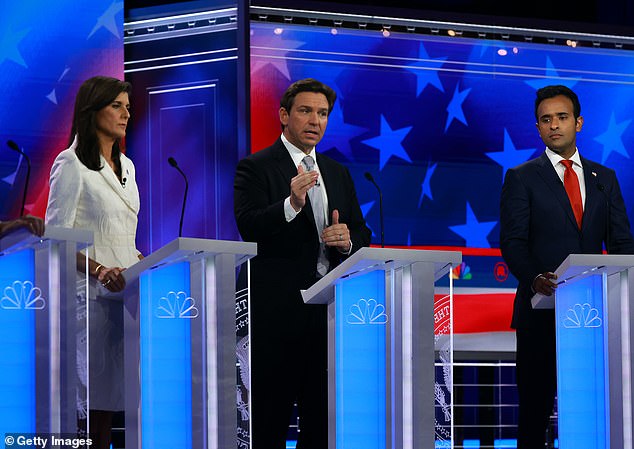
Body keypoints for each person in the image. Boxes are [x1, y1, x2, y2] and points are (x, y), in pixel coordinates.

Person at [234, 78, 371, 449]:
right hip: (277, 314)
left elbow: (362, 232)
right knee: (271, 420)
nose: (316, 120)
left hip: (328, 317)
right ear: (284, 115)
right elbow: (249, 225)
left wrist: (348, 241)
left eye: (323, 113)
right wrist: (291, 204)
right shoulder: (256, 166)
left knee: (323, 421)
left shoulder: (337, 172)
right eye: (306, 111)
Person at [500, 84, 634, 447]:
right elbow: (512, 242)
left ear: (579, 122)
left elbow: (621, 243)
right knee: (534, 415)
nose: (554, 125)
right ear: (538, 128)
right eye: (546, 120)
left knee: (595, 415)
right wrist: (534, 279)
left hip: (594, 318)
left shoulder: (604, 179)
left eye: (561, 117)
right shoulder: (522, 176)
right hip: (541, 316)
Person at [45, 75, 143, 449]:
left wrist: (139, 260)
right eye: (116, 105)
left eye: (128, 107)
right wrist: (100, 269)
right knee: (91, 402)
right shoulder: (70, 164)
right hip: (90, 296)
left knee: (113, 401)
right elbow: (57, 239)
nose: (125, 114)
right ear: (92, 109)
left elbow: (123, 232)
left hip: (127, 297)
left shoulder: (128, 166)